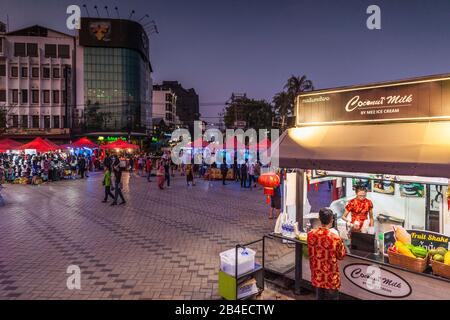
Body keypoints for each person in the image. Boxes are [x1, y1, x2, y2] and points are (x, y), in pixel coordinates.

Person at [307, 208, 346, 300]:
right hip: (330, 275)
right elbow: (341, 255)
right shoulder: (335, 238)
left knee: (319, 296)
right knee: (333, 297)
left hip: (317, 272)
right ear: (332, 220)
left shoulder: (310, 234)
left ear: (319, 219)